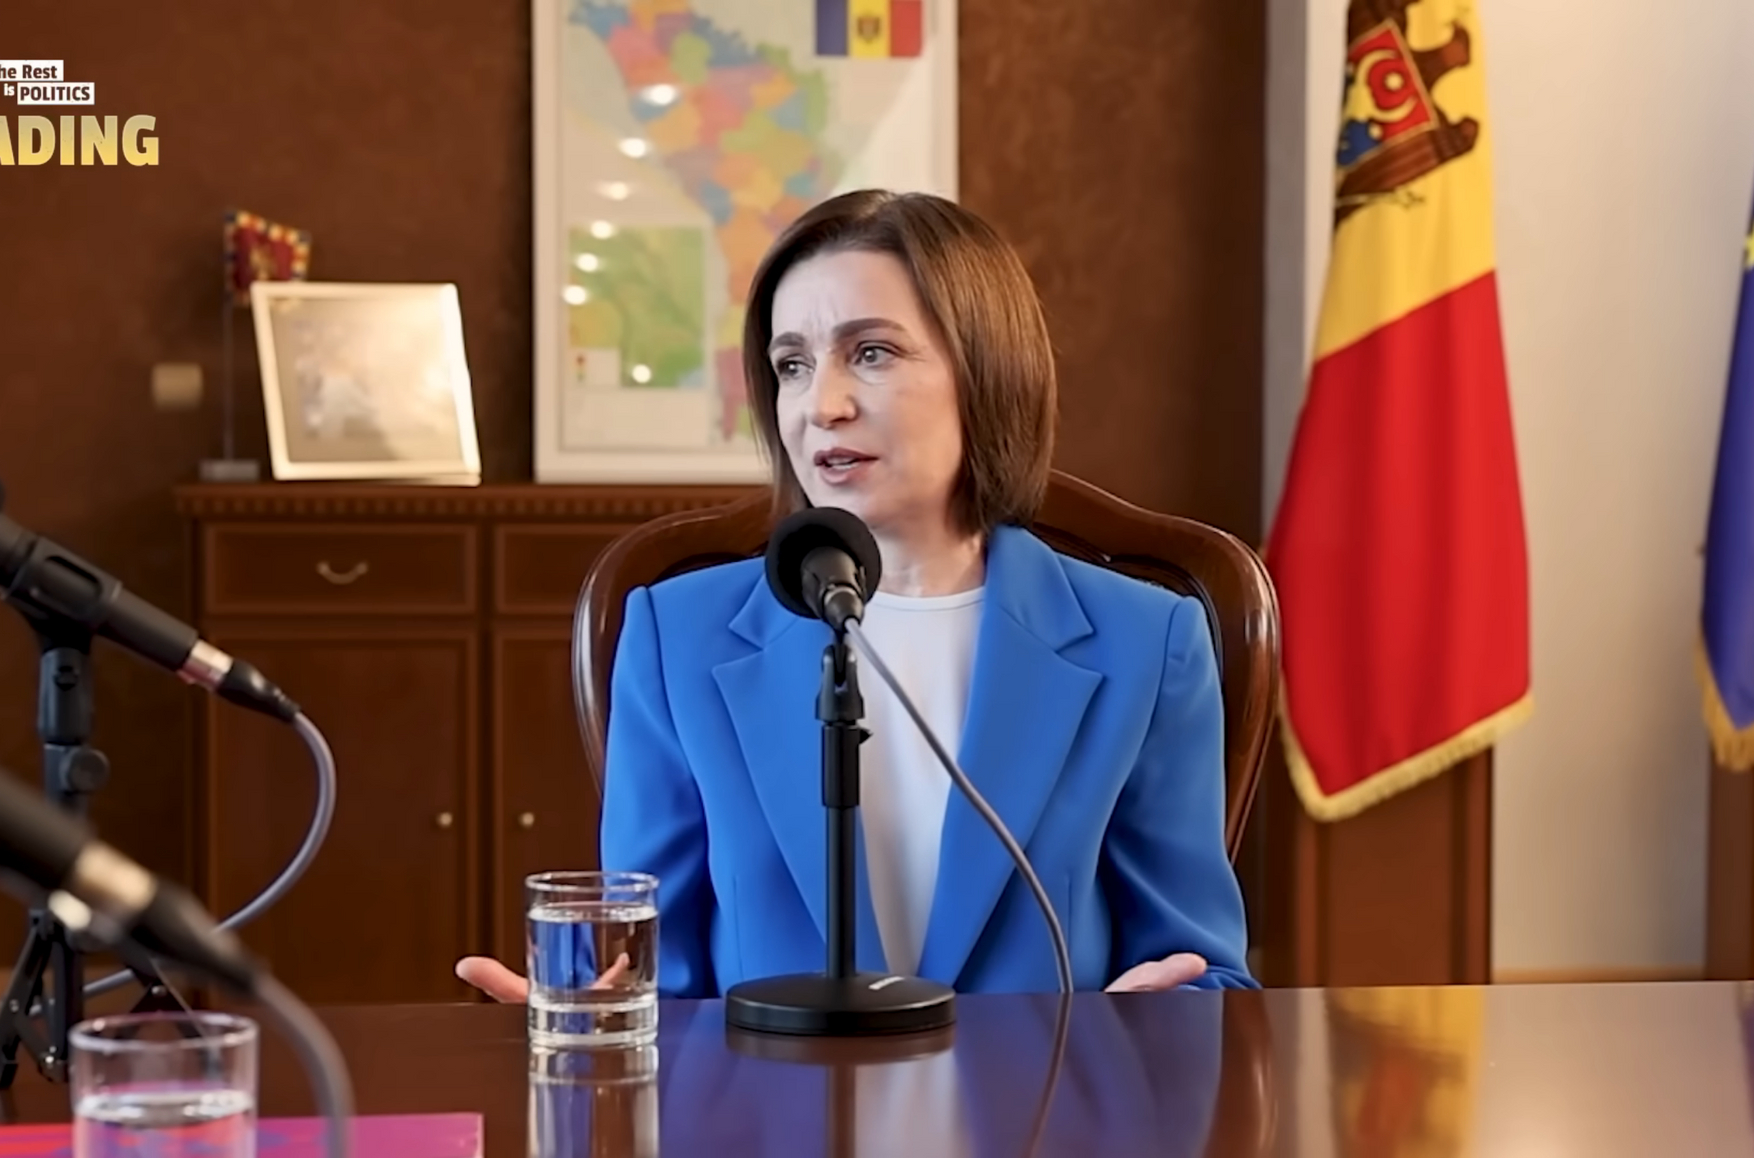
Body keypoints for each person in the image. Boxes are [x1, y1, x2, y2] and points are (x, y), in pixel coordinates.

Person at [458, 189, 1254, 1001]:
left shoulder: (1145, 641)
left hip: (1041, 1087)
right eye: (792, 366)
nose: (822, 406)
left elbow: (1205, 970)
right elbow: (658, 981)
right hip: (769, 1087)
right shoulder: (679, 637)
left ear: (987, 373)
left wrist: (1144, 1029)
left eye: (871, 353)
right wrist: (594, 1025)